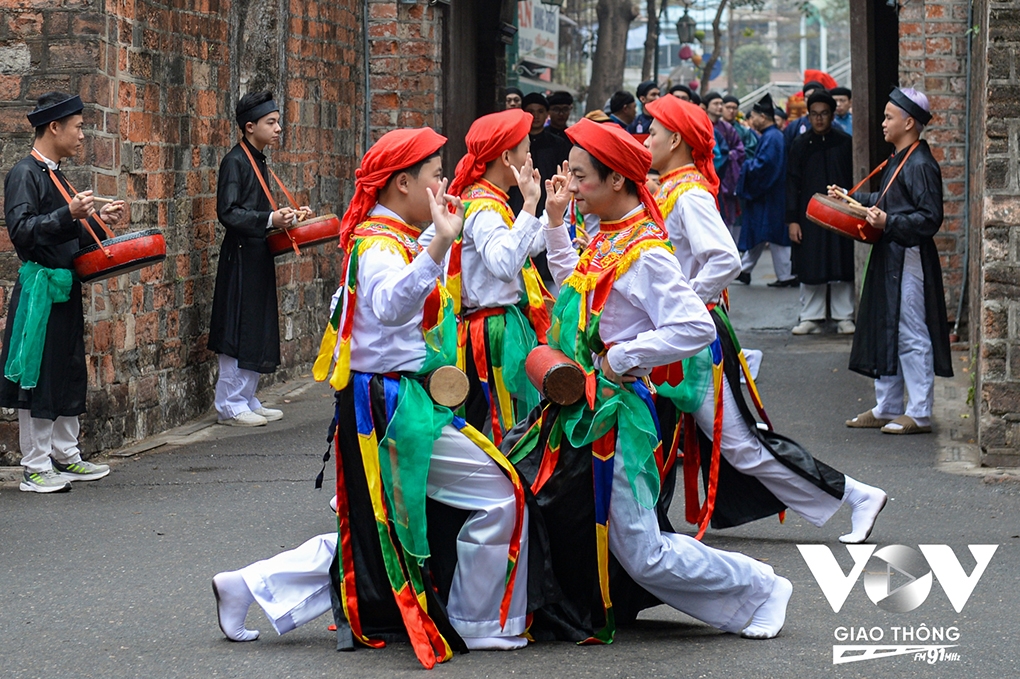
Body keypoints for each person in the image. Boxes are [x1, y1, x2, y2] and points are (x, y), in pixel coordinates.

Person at [215, 128, 533, 664]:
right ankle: (481, 620)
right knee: (495, 493)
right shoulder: (381, 243)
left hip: (394, 403)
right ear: (403, 184)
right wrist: (438, 243)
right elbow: (389, 306)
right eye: (436, 175)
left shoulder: (386, 235)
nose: (445, 183)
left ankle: (250, 584)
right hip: (387, 408)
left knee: (370, 521)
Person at [504, 117, 794, 643]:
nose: (571, 185)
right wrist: (552, 222)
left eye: (581, 176)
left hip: (615, 413)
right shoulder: (608, 233)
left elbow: (694, 325)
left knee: (645, 552)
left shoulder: (646, 252)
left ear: (618, 181)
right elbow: (578, 288)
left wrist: (623, 357)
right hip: (582, 408)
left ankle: (761, 586)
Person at [643, 94, 887, 545]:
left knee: (739, 444)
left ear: (675, 138)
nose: (647, 138)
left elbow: (723, 260)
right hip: (681, 335)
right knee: (659, 428)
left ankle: (855, 495)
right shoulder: (678, 188)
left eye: (653, 131)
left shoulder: (689, 193)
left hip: (693, 339)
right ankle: (646, 527)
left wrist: (684, 306)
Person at [1, 91, 125, 493]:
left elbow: (66, 230)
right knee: (39, 376)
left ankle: (66, 454)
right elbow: (21, 232)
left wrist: (97, 220)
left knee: (68, 371)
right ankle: (35, 465)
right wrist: (67, 213)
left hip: (63, 287)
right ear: (54, 127)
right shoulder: (24, 173)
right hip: (40, 289)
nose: (83, 135)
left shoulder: (56, 173)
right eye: (79, 126)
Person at [437, 110, 552, 446]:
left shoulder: (484, 199)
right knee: (497, 423)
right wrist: (531, 204)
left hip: (494, 328)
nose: (529, 157)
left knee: (487, 419)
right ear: (506, 157)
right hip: (489, 334)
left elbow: (522, 247)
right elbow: (505, 262)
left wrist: (553, 213)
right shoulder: (485, 208)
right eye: (525, 149)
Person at [841, 88, 952, 435]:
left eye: (889, 116)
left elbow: (930, 218)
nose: (884, 122)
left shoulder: (920, 163)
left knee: (910, 331)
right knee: (886, 326)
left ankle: (919, 412)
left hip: (908, 257)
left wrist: (889, 223)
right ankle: (887, 405)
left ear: (908, 121)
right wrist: (851, 199)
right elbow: (886, 198)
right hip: (890, 255)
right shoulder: (900, 158)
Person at [209, 91, 309, 427]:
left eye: (277, 121)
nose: (279, 128)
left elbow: (258, 209)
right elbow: (228, 212)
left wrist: (288, 215)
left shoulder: (258, 159)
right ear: (249, 127)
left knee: (256, 327)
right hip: (239, 258)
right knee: (237, 327)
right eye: (271, 122)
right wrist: (269, 220)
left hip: (256, 256)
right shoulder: (234, 161)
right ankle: (229, 403)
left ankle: (246, 396)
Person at [787, 90, 856, 336]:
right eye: (814, 114)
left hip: (840, 213)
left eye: (824, 114)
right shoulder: (800, 145)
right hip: (809, 216)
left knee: (841, 262)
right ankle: (811, 316)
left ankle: (843, 316)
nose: (819, 119)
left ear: (831, 114)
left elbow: (853, 180)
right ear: (808, 116)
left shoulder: (845, 143)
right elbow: (792, 183)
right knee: (811, 263)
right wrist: (792, 220)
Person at [736, 93, 796, 287]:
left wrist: (746, 166)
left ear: (762, 117)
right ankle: (744, 270)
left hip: (771, 195)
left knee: (772, 234)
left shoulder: (773, 138)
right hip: (769, 195)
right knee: (761, 234)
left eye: (753, 116)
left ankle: (785, 275)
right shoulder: (772, 136)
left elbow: (765, 167)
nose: (751, 120)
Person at [513, 92, 572, 217]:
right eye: (530, 111)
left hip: (548, 193)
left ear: (547, 114)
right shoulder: (516, 141)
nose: (535, 116)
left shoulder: (558, 143)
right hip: (519, 196)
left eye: (540, 111)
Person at [704, 92, 746, 242]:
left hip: (726, 180)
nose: (719, 107)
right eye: (716, 103)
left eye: (721, 104)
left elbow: (740, 150)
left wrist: (729, 155)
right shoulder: (701, 125)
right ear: (706, 107)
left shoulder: (727, 128)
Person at [723, 94, 758, 160]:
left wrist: (736, 154)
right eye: (728, 107)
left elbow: (751, 150)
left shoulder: (744, 131)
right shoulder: (715, 128)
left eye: (734, 108)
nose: (731, 111)